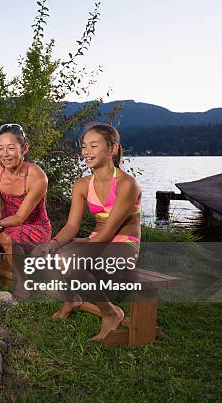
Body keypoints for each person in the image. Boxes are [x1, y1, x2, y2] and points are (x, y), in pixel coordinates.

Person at [37, 123, 141, 341]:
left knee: (68, 261)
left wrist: (71, 252)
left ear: (112, 149)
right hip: (98, 240)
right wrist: (53, 243)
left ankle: (110, 312)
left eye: (94, 145)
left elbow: (109, 231)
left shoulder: (127, 184)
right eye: (84, 146)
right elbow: (72, 226)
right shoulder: (82, 185)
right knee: (44, 257)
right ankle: (72, 298)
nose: (86, 152)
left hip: (123, 244)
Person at [0, 124, 52, 283]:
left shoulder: (37, 177)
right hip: (7, 223)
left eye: (10, 148)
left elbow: (20, 217)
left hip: (35, 227)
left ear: (24, 149)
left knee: (6, 236)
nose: (4, 154)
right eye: (0, 148)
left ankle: (23, 284)